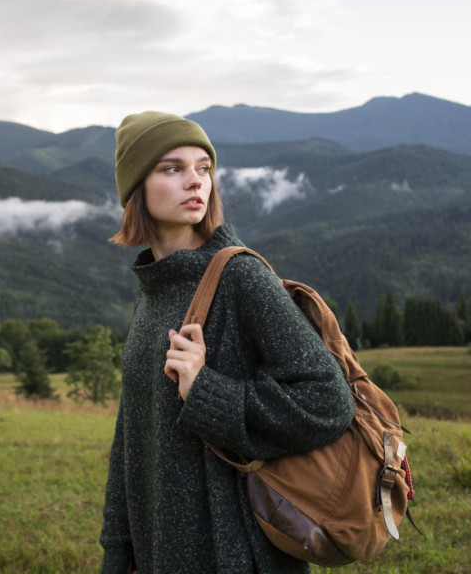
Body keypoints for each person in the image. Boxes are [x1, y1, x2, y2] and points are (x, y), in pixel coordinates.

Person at [99, 111, 356, 574]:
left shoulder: (241, 277)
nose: (195, 182)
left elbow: (329, 400)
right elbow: (131, 441)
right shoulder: (154, 290)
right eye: (172, 168)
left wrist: (206, 391)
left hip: (233, 553)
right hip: (162, 552)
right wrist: (118, 553)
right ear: (136, 186)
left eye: (204, 168)